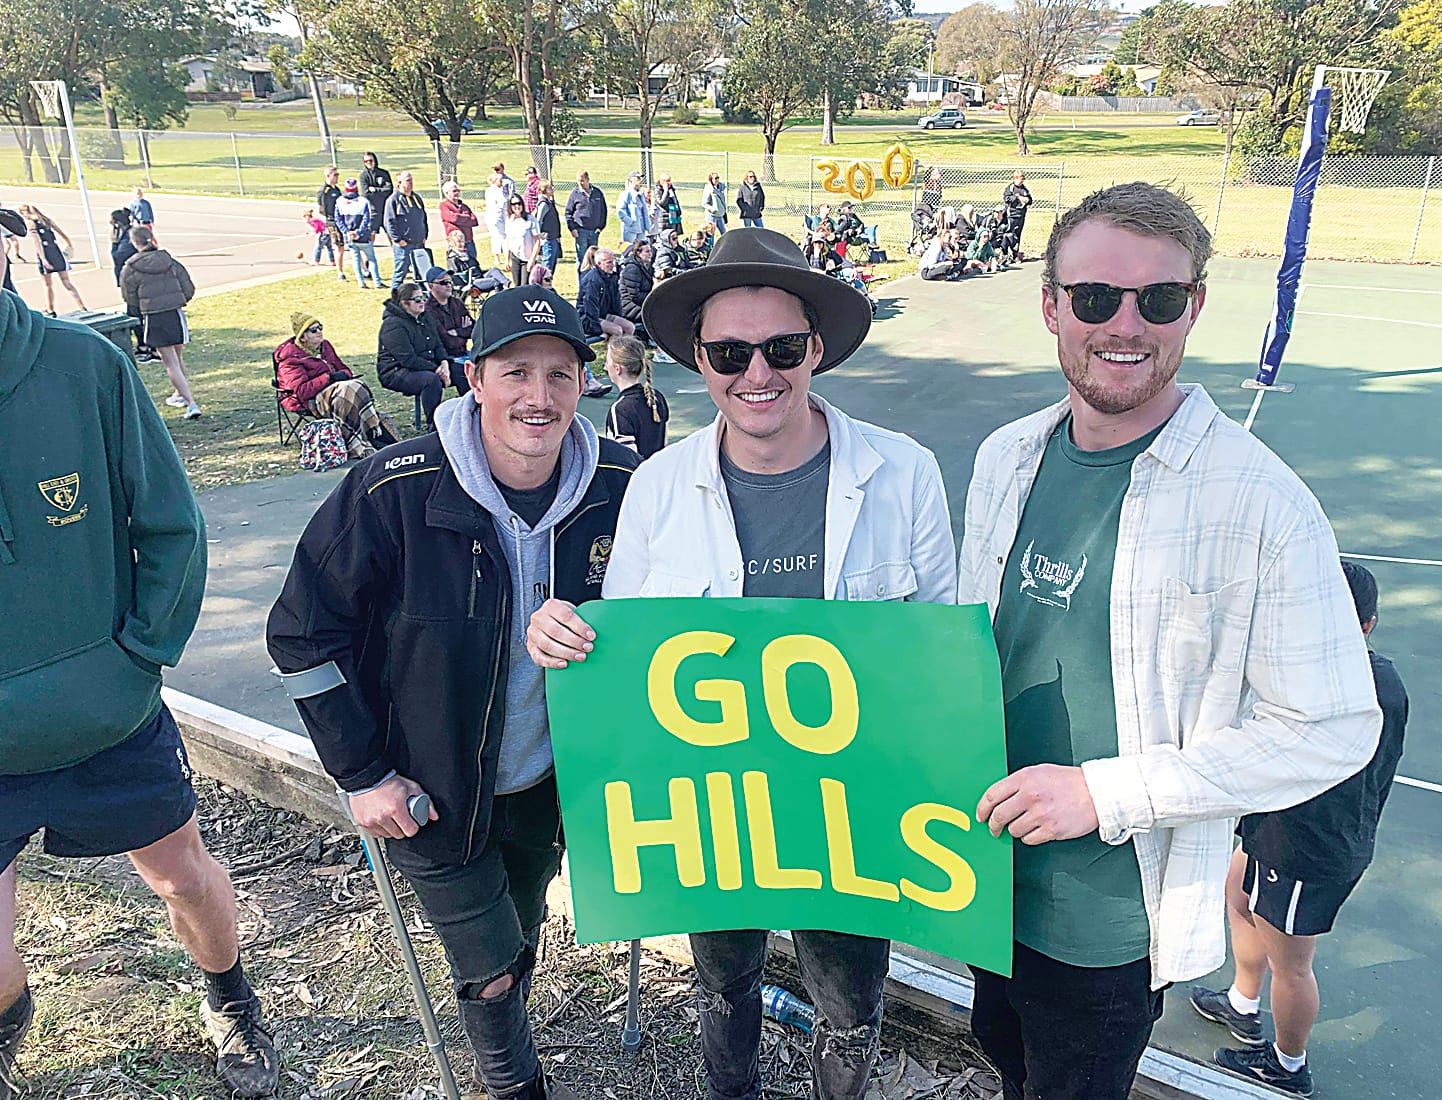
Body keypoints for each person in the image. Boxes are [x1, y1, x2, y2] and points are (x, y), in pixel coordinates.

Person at [956, 182, 1382, 1100]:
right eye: (1093, 297)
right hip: (979, 881)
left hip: (1108, 924)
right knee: (1004, 1060)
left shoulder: (1260, 503)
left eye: (1156, 300)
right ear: (1049, 305)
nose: (1124, 324)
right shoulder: (1003, 459)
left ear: (1191, 306)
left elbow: (1333, 724)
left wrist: (1105, 792)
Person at [526, 226, 956, 1100]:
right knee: (724, 983)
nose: (756, 374)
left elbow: (936, 647)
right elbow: (631, 657)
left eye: (781, 348)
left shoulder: (903, 473)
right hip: (711, 805)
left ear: (816, 349)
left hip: (852, 810)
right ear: (697, 359)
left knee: (848, 1001)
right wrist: (566, 639)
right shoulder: (658, 487)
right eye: (729, 352)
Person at [266, 286, 639, 1100]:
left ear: (583, 382)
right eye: (514, 373)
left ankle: (508, 1012)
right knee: (489, 967)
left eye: (559, 374)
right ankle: (513, 1086)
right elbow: (300, 632)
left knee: (521, 930)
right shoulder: (389, 489)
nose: (537, 398)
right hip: (426, 784)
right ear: (475, 377)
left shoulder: (621, 479)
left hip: (549, 779)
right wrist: (362, 773)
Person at [0, 282, 278, 1100]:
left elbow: (170, 522)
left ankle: (230, 996)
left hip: (109, 716)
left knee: (185, 879)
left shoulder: (82, 365)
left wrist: (138, 657)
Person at [1191, 559, 1408, 1096]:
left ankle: (1288, 1066)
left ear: (1363, 627)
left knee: (1292, 965)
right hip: (1278, 827)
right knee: (1239, 900)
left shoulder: (1351, 692)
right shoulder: (1363, 676)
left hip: (1306, 847)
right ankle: (1243, 1005)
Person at [273, 312, 399, 459]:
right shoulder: (291, 359)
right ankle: (359, 441)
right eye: (314, 330)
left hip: (337, 394)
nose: (319, 332)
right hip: (309, 401)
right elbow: (302, 391)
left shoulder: (325, 346)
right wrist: (329, 378)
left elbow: (344, 369)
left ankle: (370, 435)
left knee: (355, 385)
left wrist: (342, 375)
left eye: (320, 327)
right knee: (348, 389)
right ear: (302, 337)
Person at [120, 227, 201, 419]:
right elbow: (187, 286)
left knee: (170, 362)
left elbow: (128, 296)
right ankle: (180, 394)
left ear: (134, 242)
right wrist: (179, 300)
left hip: (153, 315)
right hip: (174, 312)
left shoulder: (131, 267)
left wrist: (141, 307)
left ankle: (190, 402)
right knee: (178, 356)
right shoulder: (170, 261)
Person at [375, 282, 468, 426]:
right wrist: (437, 370)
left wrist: (444, 363)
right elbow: (407, 359)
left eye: (423, 297)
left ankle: (472, 413)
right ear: (404, 303)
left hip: (427, 364)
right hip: (396, 371)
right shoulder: (393, 325)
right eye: (417, 299)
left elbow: (438, 345)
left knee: (462, 371)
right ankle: (434, 424)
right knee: (431, 380)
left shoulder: (425, 318)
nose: (423, 302)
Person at [602, 335, 666, 458]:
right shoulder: (657, 397)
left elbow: (628, 458)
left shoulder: (620, 409)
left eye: (607, 362)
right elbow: (664, 444)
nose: (605, 367)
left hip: (637, 476)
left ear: (617, 369)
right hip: (658, 471)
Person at [575, 248, 627, 398]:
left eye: (613, 261)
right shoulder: (593, 280)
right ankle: (612, 364)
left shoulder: (611, 277)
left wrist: (618, 316)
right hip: (587, 317)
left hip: (603, 314)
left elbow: (616, 301)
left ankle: (624, 360)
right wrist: (598, 330)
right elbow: (589, 307)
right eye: (609, 262)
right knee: (616, 330)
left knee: (628, 327)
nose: (613, 264)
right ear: (599, 263)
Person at [18, 204, 86, 316]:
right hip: (56, 252)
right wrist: (69, 244)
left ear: (25, 213)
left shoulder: (31, 224)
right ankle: (81, 305)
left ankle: (51, 309)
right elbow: (62, 233)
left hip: (46, 253)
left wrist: (43, 259)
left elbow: (37, 242)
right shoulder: (47, 221)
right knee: (67, 282)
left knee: (48, 285)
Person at [335, 178, 386, 290]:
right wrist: (359, 232)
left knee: (356, 259)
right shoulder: (363, 201)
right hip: (363, 236)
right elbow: (366, 219)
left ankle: (361, 283)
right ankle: (377, 282)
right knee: (371, 258)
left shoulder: (339, 201)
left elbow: (338, 219)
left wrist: (347, 232)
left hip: (349, 237)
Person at [386, 171, 433, 288]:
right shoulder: (393, 200)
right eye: (407, 180)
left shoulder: (416, 198)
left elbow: (423, 217)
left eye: (411, 180)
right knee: (400, 273)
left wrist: (424, 236)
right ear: (399, 182)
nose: (410, 183)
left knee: (421, 273)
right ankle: (395, 299)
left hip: (418, 243)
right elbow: (389, 222)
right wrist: (398, 240)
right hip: (404, 245)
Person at [422, 265, 474, 365]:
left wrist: (458, 331)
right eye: (444, 282)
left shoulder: (457, 303)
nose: (449, 285)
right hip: (447, 359)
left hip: (465, 353)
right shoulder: (428, 310)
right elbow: (447, 342)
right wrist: (464, 332)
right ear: (431, 286)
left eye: (450, 282)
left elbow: (476, 330)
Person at [565, 170, 608, 267]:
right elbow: (568, 213)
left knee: (594, 258)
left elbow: (603, 211)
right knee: (582, 258)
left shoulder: (597, 193)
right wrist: (572, 228)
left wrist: (600, 227)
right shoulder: (575, 194)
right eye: (578, 180)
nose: (580, 183)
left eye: (582, 180)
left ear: (588, 180)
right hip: (580, 231)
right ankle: (582, 280)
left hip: (594, 231)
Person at [617, 239, 655, 340]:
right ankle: (654, 340)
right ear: (638, 253)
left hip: (641, 302)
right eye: (647, 251)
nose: (650, 254)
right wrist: (653, 297)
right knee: (656, 313)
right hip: (629, 305)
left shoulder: (646, 266)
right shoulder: (632, 269)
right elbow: (634, 296)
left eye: (650, 251)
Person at [439, 180, 481, 270]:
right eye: (454, 191)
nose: (457, 193)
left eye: (458, 190)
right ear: (446, 193)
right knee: (457, 268)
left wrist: (460, 219)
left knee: (473, 266)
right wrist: (466, 218)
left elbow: (474, 220)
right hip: (456, 243)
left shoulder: (464, 206)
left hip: (469, 241)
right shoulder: (444, 206)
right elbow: (453, 218)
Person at [317, 165, 347, 281]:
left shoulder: (336, 189)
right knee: (339, 247)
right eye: (335, 175)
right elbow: (322, 209)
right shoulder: (325, 191)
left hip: (341, 220)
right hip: (332, 222)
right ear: (328, 176)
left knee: (346, 246)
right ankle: (340, 272)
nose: (337, 177)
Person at [504, 194, 541, 288]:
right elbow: (508, 240)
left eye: (519, 203)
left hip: (527, 258)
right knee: (516, 285)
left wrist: (532, 260)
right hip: (515, 256)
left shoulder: (530, 219)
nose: (517, 206)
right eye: (513, 204)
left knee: (525, 286)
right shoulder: (509, 220)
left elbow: (537, 241)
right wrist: (507, 259)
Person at [485, 163, 517, 268]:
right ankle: (504, 258)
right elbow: (503, 203)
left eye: (498, 169)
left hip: (497, 216)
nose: (502, 182)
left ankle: (501, 258)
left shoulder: (507, 182)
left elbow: (512, 195)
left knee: (499, 236)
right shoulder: (494, 191)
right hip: (497, 216)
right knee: (503, 237)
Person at [532, 182, 563, 282]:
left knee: (553, 263)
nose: (552, 189)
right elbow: (539, 220)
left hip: (553, 237)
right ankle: (544, 284)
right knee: (547, 264)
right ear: (544, 190)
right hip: (547, 239)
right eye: (550, 188)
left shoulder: (550, 202)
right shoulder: (543, 204)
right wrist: (540, 236)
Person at [360, 152, 394, 238]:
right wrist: (380, 192)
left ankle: (396, 251)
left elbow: (389, 190)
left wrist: (375, 190)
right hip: (373, 210)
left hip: (385, 208)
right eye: (366, 161)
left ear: (375, 160)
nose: (369, 163)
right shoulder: (363, 176)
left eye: (370, 160)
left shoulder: (384, 173)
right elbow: (365, 194)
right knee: (371, 234)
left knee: (391, 233)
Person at [615, 171, 652, 247]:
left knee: (641, 249)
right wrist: (630, 222)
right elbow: (620, 211)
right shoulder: (626, 194)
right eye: (637, 177)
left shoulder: (640, 194)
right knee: (628, 249)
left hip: (641, 228)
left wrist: (647, 224)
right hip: (630, 229)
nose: (639, 179)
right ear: (631, 180)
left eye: (640, 178)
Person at [1003, 170, 1034, 261]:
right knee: (1009, 235)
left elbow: (1030, 200)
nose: (1022, 181)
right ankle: (1005, 254)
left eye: (1023, 179)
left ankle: (1015, 254)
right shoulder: (1010, 188)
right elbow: (1007, 199)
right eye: (1021, 179)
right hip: (1011, 215)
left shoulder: (1025, 189)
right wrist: (1017, 197)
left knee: (1017, 235)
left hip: (1021, 215)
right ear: (1015, 178)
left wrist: (1026, 200)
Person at [110, 208, 137, 285]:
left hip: (130, 277)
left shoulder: (127, 238)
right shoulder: (130, 232)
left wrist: (114, 244)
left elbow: (118, 258)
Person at [702, 171, 727, 235]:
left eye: (718, 178)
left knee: (724, 233)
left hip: (720, 215)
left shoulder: (720, 188)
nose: (717, 180)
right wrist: (713, 209)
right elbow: (704, 203)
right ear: (711, 179)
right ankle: (711, 245)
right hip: (712, 215)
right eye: (715, 178)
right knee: (711, 233)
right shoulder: (709, 189)